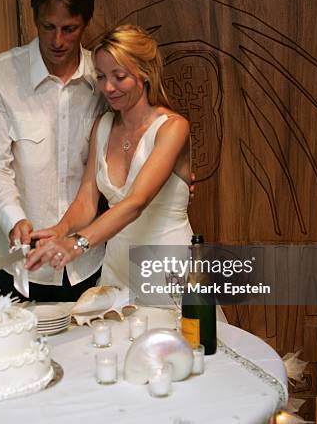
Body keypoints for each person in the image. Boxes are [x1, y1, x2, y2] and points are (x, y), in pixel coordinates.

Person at [25, 25, 194, 291]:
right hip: (118, 268)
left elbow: (136, 203)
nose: (109, 87)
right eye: (101, 76)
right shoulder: (102, 126)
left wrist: (77, 243)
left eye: (119, 76)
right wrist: (61, 230)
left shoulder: (173, 127)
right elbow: (86, 200)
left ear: (145, 74)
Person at [0, 0, 105, 301]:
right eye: (48, 27)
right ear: (35, 18)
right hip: (15, 262)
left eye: (69, 29)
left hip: (85, 263)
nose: (57, 40)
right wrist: (14, 219)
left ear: (86, 23)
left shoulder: (104, 80)